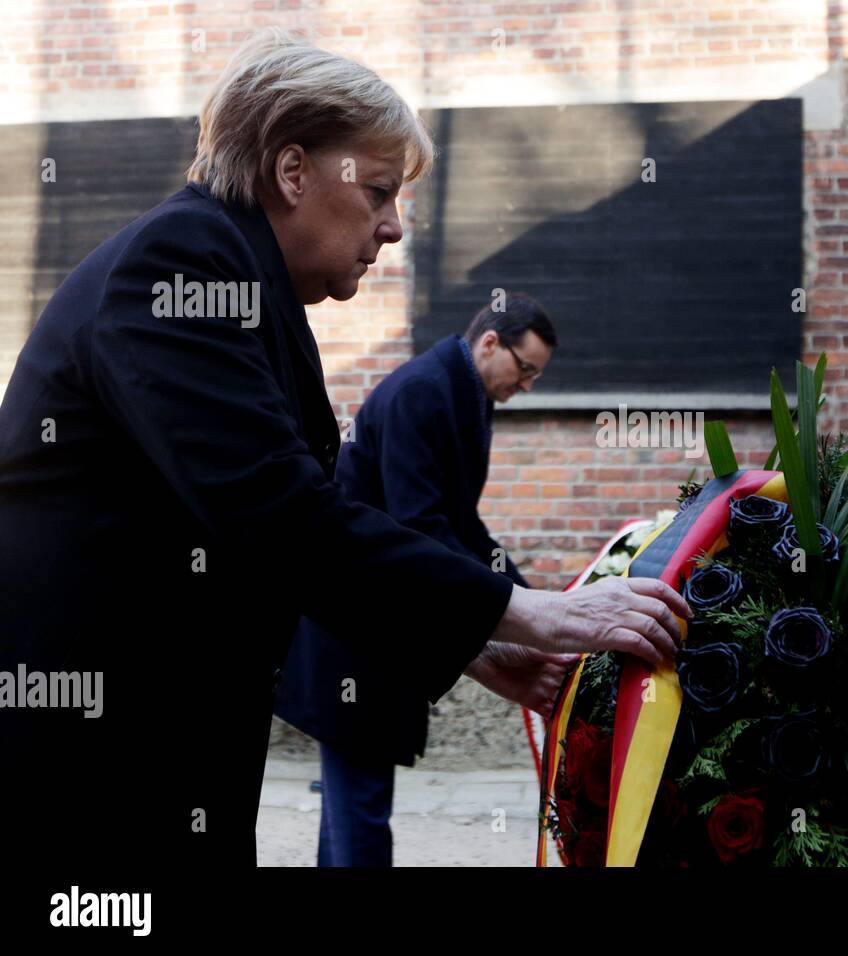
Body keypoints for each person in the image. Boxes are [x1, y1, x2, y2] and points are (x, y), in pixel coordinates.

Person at [0, 28, 686, 868]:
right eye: (381, 193)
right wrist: (532, 611)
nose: (395, 228)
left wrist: (474, 643)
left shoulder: (247, 284)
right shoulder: (180, 265)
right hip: (91, 760)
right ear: (292, 172)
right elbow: (281, 516)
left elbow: (285, 534)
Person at [275, 293, 559, 866]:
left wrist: (538, 603)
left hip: (379, 625)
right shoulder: (424, 392)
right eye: (524, 369)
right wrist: (508, 611)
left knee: (352, 804)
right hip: (356, 634)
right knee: (362, 808)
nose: (526, 385)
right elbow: (421, 526)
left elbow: (461, 524)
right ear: (489, 343)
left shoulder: (461, 392)